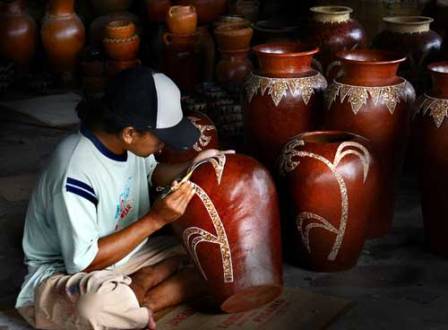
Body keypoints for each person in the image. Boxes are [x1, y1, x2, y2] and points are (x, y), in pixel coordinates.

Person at [15, 67, 230, 330]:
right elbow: (84, 263)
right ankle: (144, 287)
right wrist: (155, 220)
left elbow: (155, 173)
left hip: (131, 254)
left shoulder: (127, 145)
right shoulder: (75, 171)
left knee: (218, 259)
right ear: (130, 133)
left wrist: (195, 166)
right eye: (161, 137)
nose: (165, 145)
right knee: (95, 308)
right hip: (66, 275)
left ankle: (144, 298)